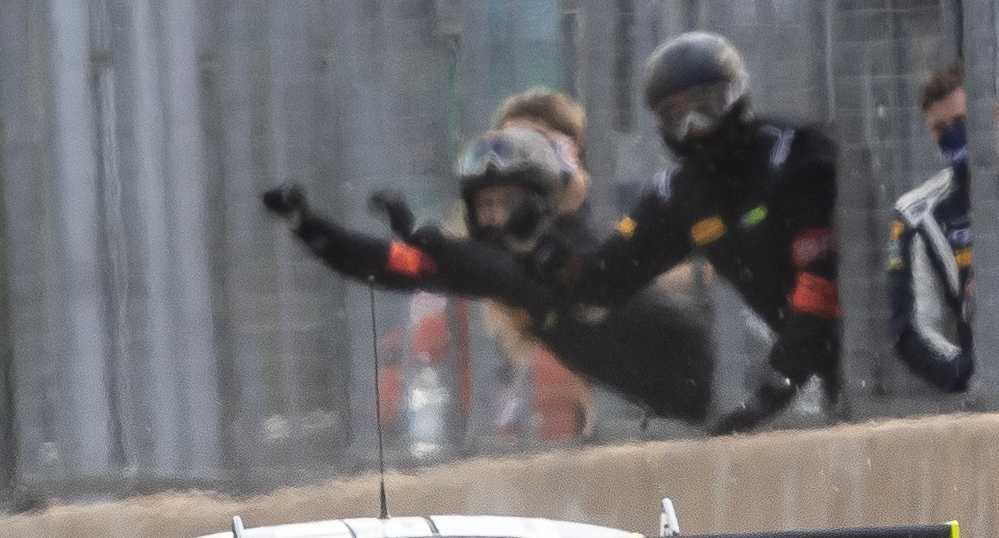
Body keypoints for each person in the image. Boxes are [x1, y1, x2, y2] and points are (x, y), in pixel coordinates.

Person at [264, 123, 714, 433]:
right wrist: (308, 226)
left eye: (508, 202)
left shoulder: (572, 242)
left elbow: (508, 277)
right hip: (664, 407)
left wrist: (425, 235)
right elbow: (386, 264)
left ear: (539, 200)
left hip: (706, 374)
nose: (496, 217)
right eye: (486, 205)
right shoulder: (482, 260)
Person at [542, 31, 843, 434]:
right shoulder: (681, 194)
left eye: (707, 108)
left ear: (736, 98)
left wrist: (774, 387)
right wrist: (546, 240)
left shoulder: (795, 159)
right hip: (813, 357)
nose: (696, 128)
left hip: (869, 340)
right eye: (677, 117)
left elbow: (821, 285)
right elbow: (607, 278)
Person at [888, 62, 975, 394]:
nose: (951, 133)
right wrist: (973, 371)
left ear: (994, 113)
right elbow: (912, 329)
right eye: (940, 127)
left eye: (961, 122)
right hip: (995, 388)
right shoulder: (917, 213)